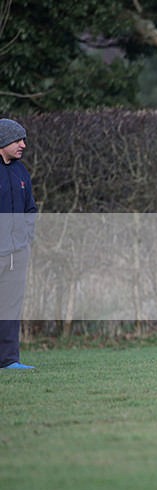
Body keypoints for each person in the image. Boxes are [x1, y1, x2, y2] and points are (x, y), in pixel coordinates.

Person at [1, 119, 37, 370]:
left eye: (23, 139)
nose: (23, 145)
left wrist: (26, 239)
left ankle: (9, 360)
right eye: (17, 140)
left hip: (17, 253)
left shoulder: (21, 171)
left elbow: (30, 209)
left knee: (10, 310)